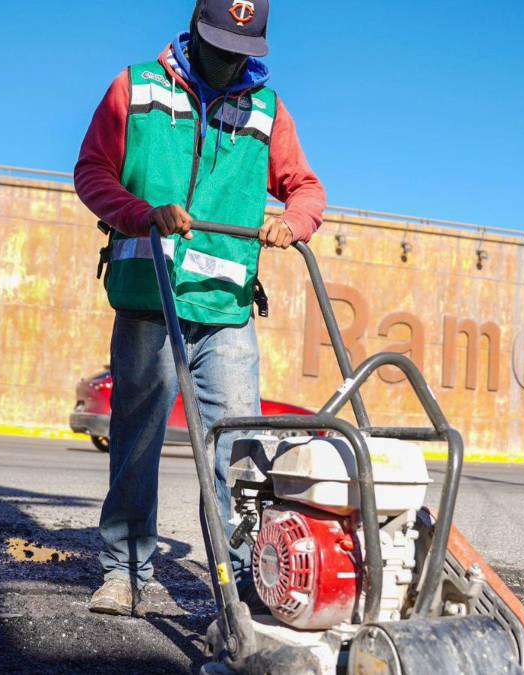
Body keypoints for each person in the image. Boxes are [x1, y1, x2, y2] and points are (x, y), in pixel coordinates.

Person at [73, 0, 326, 614]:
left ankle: (241, 581)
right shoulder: (136, 87)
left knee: (238, 449)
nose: (229, 61)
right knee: (137, 441)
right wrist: (140, 213)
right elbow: (92, 172)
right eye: (219, 48)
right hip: (148, 295)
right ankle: (124, 572)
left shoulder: (266, 109)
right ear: (195, 30)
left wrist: (293, 222)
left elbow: (306, 187)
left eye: (242, 51)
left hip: (225, 309)